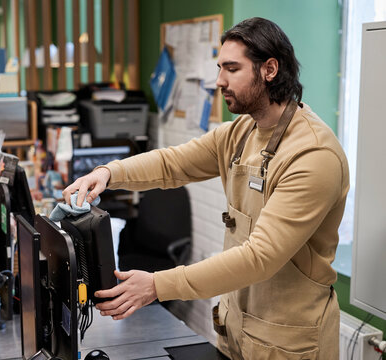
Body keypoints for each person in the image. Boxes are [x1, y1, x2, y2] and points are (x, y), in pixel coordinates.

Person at [63, 17, 348, 359]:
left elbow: (260, 257)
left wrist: (157, 285)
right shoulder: (241, 131)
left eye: (232, 69)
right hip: (238, 332)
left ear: (269, 69)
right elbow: (173, 163)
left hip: (288, 344)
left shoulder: (313, 155)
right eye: (219, 68)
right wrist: (109, 173)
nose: (219, 81)